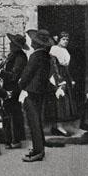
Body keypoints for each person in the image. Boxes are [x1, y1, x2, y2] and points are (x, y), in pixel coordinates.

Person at [18, 29, 54, 163]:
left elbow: (27, 75)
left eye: (34, 40)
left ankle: (38, 151)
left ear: (37, 43)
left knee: (33, 121)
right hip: (40, 91)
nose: (31, 41)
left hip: (31, 92)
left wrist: (21, 85)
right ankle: (39, 147)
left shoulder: (35, 56)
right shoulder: (46, 55)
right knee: (37, 120)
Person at [0, 33, 29, 149]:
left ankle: (15, 140)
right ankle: (9, 139)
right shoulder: (13, 55)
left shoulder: (20, 57)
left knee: (14, 114)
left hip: (14, 88)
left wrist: (2, 73)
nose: (10, 44)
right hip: (9, 87)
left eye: (12, 43)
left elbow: (14, 76)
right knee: (9, 113)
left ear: (17, 46)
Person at [48, 31, 78, 137]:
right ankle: (58, 127)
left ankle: (57, 127)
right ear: (59, 40)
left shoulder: (65, 50)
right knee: (59, 100)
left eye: (67, 40)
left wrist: (70, 79)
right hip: (56, 76)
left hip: (64, 75)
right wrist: (59, 81)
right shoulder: (54, 49)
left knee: (64, 101)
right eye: (63, 39)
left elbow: (66, 67)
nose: (65, 41)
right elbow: (53, 66)